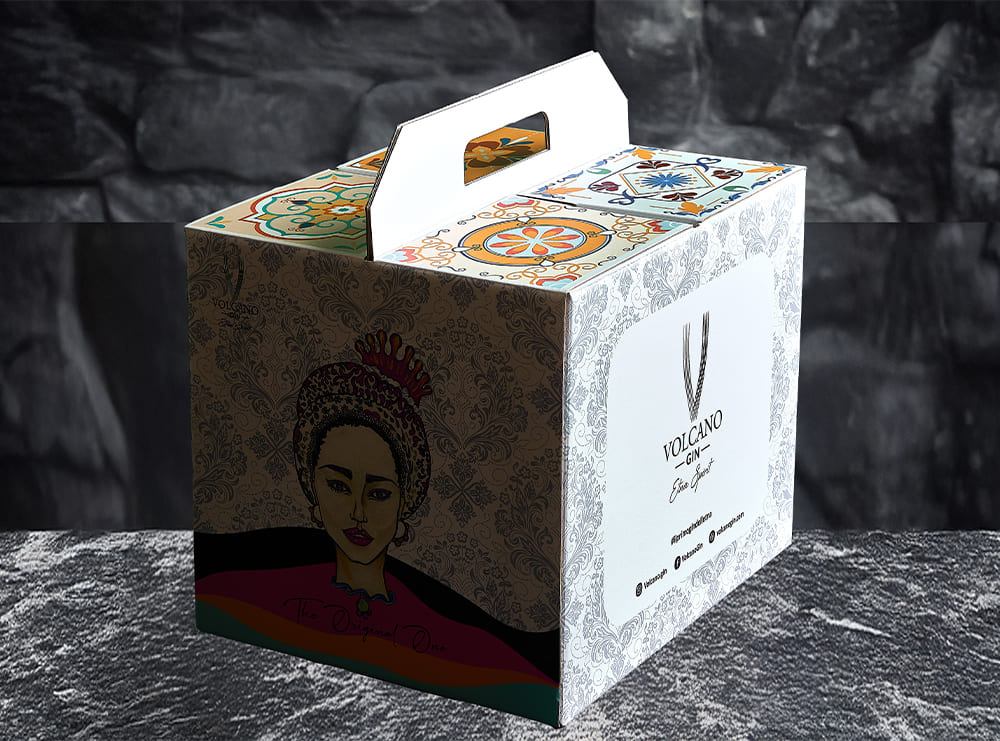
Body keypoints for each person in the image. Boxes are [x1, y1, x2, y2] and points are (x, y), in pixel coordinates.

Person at [195, 332, 558, 718]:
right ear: (312, 488)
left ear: (405, 503)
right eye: (338, 486)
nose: (358, 512)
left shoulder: (465, 638)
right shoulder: (242, 594)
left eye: (379, 493)